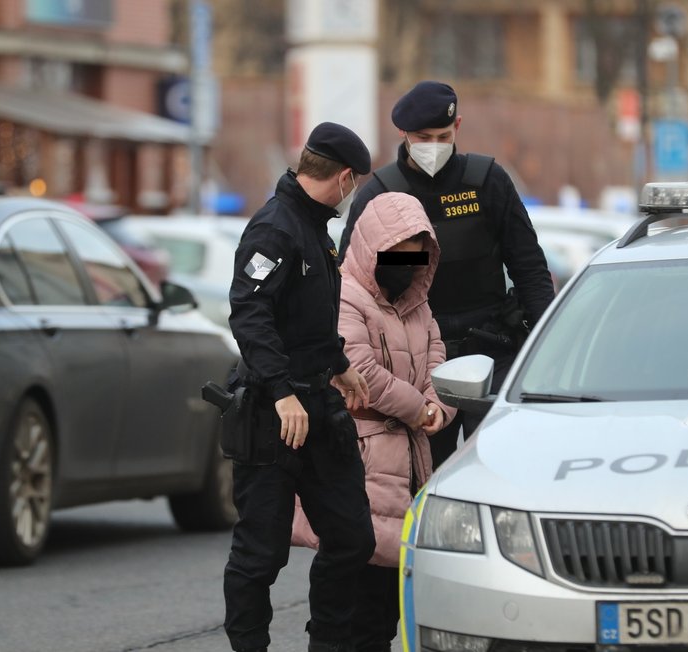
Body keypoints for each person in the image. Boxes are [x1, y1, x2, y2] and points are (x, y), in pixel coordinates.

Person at [338, 80, 555, 469]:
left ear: (458, 128)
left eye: (442, 135)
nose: (433, 146)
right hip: (417, 359)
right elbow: (356, 281)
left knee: (498, 467)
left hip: (491, 348)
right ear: (403, 134)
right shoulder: (383, 193)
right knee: (423, 476)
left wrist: (549, 345)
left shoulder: (486, 180)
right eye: (423, 137)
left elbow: (528, 268)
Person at [223, 121, 377, 652]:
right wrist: (282, 390)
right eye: (355, 183)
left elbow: (305, 316)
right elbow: (250, 314)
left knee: (352, 538)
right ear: (345, 176)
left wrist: (338, 363)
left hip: (317, 403)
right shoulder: (276, 228)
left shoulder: (315, 227)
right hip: (273, 414)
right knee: (261, 553)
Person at [293, 191, 457, 652]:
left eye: (416, 256)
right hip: (358, 457)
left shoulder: (418, 305)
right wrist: (418, 408)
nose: (406, 266)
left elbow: (440, 365)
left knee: (385, 606)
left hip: (410, 461)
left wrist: (437, 409)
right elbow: (358, 368)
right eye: (397, 254)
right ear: (371, 245)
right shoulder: (343, 295)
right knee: (352, 590)